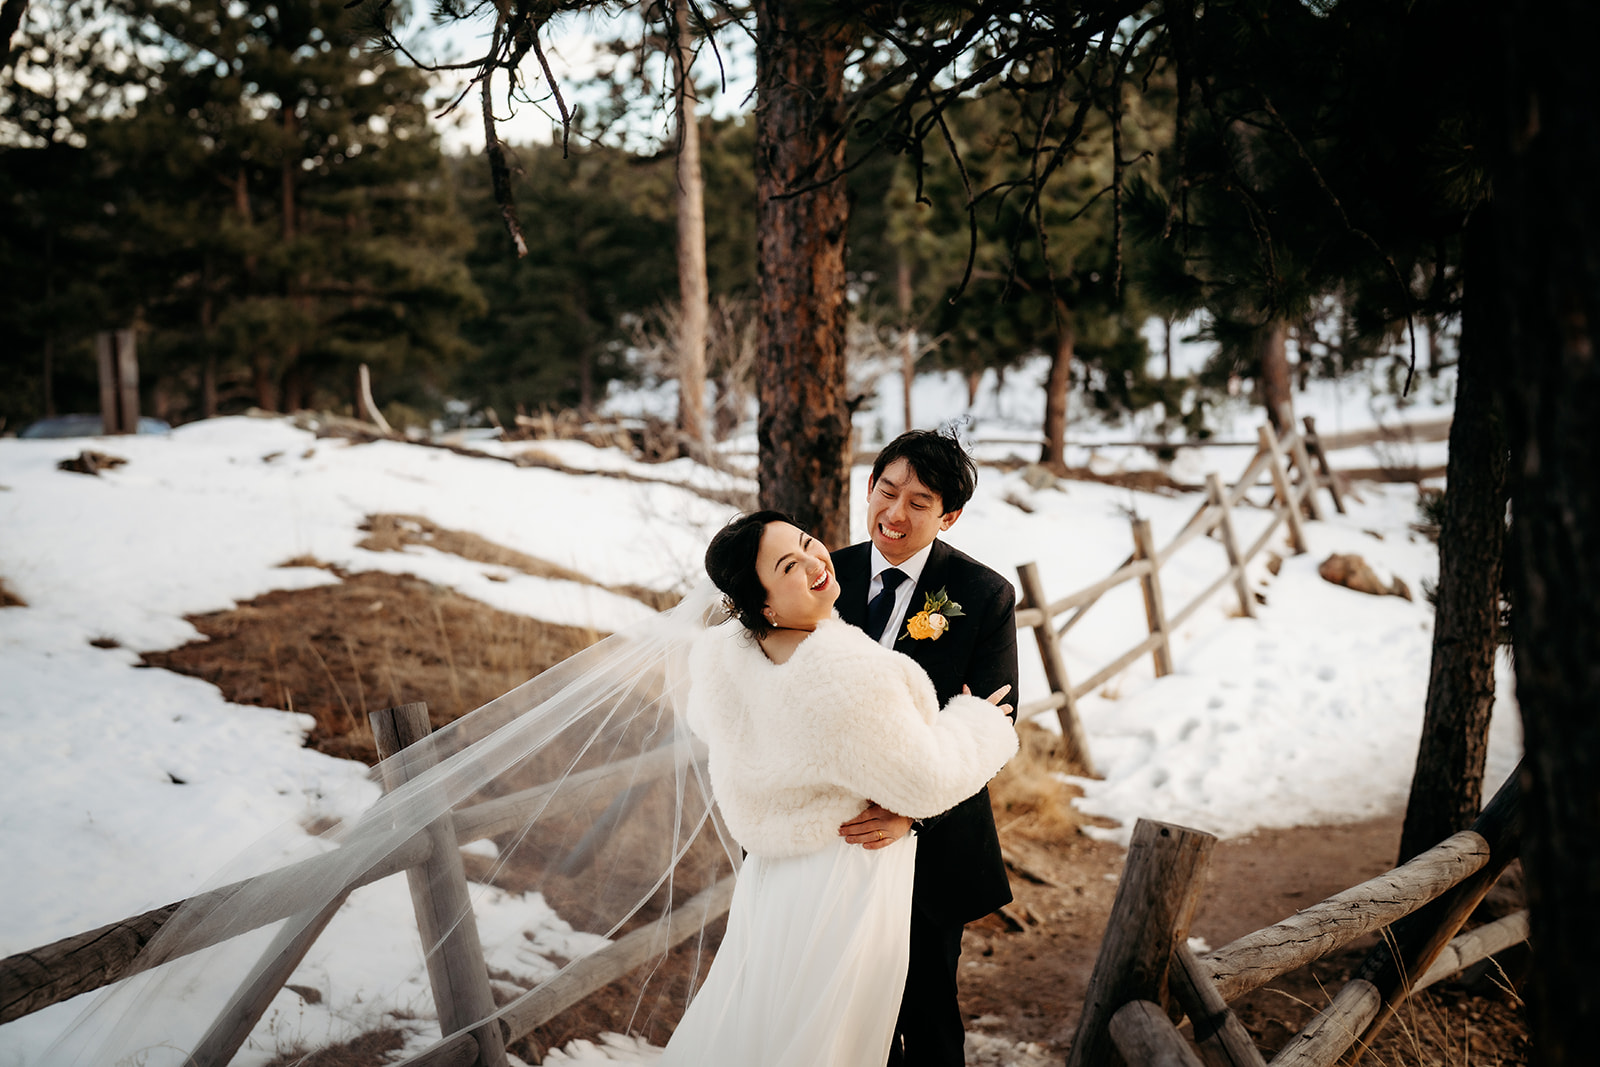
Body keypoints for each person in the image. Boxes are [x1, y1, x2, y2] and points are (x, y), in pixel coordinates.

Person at [659, 510, 1017, 1066]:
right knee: (831, 1038)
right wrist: (980, 722)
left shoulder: (726, 653)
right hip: (848, 876)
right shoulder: (845, 676)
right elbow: (927, 780)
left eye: (805, 543)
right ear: (765, 605)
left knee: (765, 1018)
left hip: (776, 878)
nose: (813, 561)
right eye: (787, 566)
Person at [830, 429, 1020, 1067]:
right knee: (839, 1010)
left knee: (926, 1011)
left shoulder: (983, 595)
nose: (895, 513)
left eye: (919, 502)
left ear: (949, 515)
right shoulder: (826, 576)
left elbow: (990, 725)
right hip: (828, 838)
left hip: (926, 848)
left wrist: (912, 813)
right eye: (887, 492)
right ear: (869, 488)